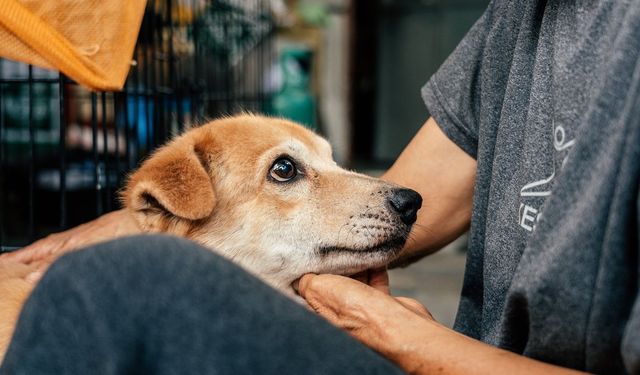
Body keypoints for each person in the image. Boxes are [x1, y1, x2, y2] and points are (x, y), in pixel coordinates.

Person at [1, 0, 639, 373]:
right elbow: (403, 199)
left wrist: (404, 338)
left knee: (120, 286)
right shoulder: (520, 19)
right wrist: (141, 225)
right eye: (289, 169)